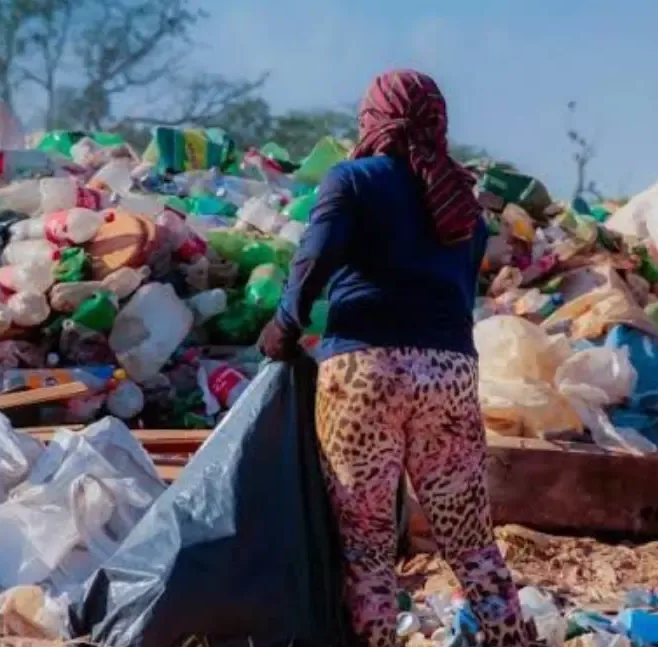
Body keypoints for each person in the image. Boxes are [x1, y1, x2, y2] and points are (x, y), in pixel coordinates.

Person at [259, 70, 530, 647]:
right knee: (472, 540)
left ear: (373, 119)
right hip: (450, 375)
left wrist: (283, 326)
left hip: (365, 374)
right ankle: (515, 639)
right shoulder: (462, 201)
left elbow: (312, 264)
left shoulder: (352, 180)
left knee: (366, 546)